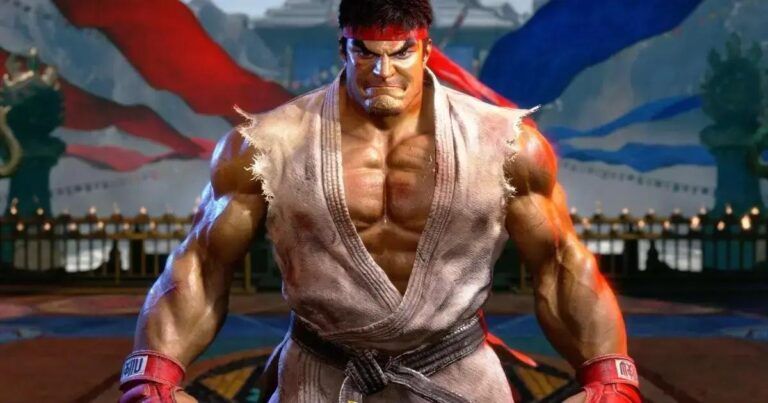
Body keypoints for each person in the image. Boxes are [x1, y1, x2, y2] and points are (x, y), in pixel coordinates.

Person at [118, 0, 641, 401]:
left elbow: (560, 264)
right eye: (365, 52)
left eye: (400, 53)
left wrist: (609, 376)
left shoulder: (505, 144)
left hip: (456, 373)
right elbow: (203, 263)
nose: (382, 71)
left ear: (426, 50)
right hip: (319, 374)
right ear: (343, 49)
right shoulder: (267, 146)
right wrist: (154, 375)